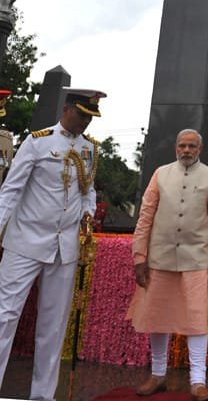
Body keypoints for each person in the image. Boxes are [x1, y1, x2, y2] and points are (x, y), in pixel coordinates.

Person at [0, 87, 105, 401]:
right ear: (67, 109)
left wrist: (88, 213)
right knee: (5, 316)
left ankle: (43, 396)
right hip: (26, 241)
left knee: (53, 326)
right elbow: (10, 191)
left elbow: (89, 191)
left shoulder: (89, 149)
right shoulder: (37, 142)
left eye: (91, 118)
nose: (86, 124)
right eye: (82, 116)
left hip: (65, 248)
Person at [126, 129, 208, 400]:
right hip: (159, 258)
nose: (186, 150)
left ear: (200, 149)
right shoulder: (161, 174)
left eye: (192, 146)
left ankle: (197, 382)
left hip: (196, 261)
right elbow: (145, 217)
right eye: (182, 145)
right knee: (158, 317)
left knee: (196, 319)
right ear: (175, 148)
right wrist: (140, 258)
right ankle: (158, 375)